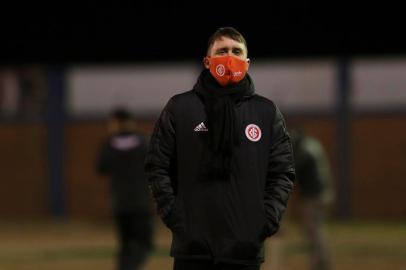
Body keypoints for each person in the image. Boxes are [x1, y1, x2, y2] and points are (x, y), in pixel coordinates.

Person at [145, 27, 295, 270]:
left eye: (236, 51)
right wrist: (175, 215)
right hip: (193, 250)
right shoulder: (180, 108)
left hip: (244, 250)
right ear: (207, 61)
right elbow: (156, 165)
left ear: (247, 62)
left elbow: (282, 172)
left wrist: (266, 219)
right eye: (222, 50)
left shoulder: (266, 112)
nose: (229, 57)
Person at [97, 108, 153, 270]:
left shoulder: (109, 144)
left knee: (126, 243)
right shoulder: (144, 143)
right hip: (140, 201)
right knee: (144, 242)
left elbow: (101, 168)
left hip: (119, 202)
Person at [290, 127, 334, 270]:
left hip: (314, 196)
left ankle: (319, 264)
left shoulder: (304, 150)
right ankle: (320, 261)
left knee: (313, 230)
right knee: (316, 229)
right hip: (323, 193)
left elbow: (293, 172)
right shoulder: (313, 144)